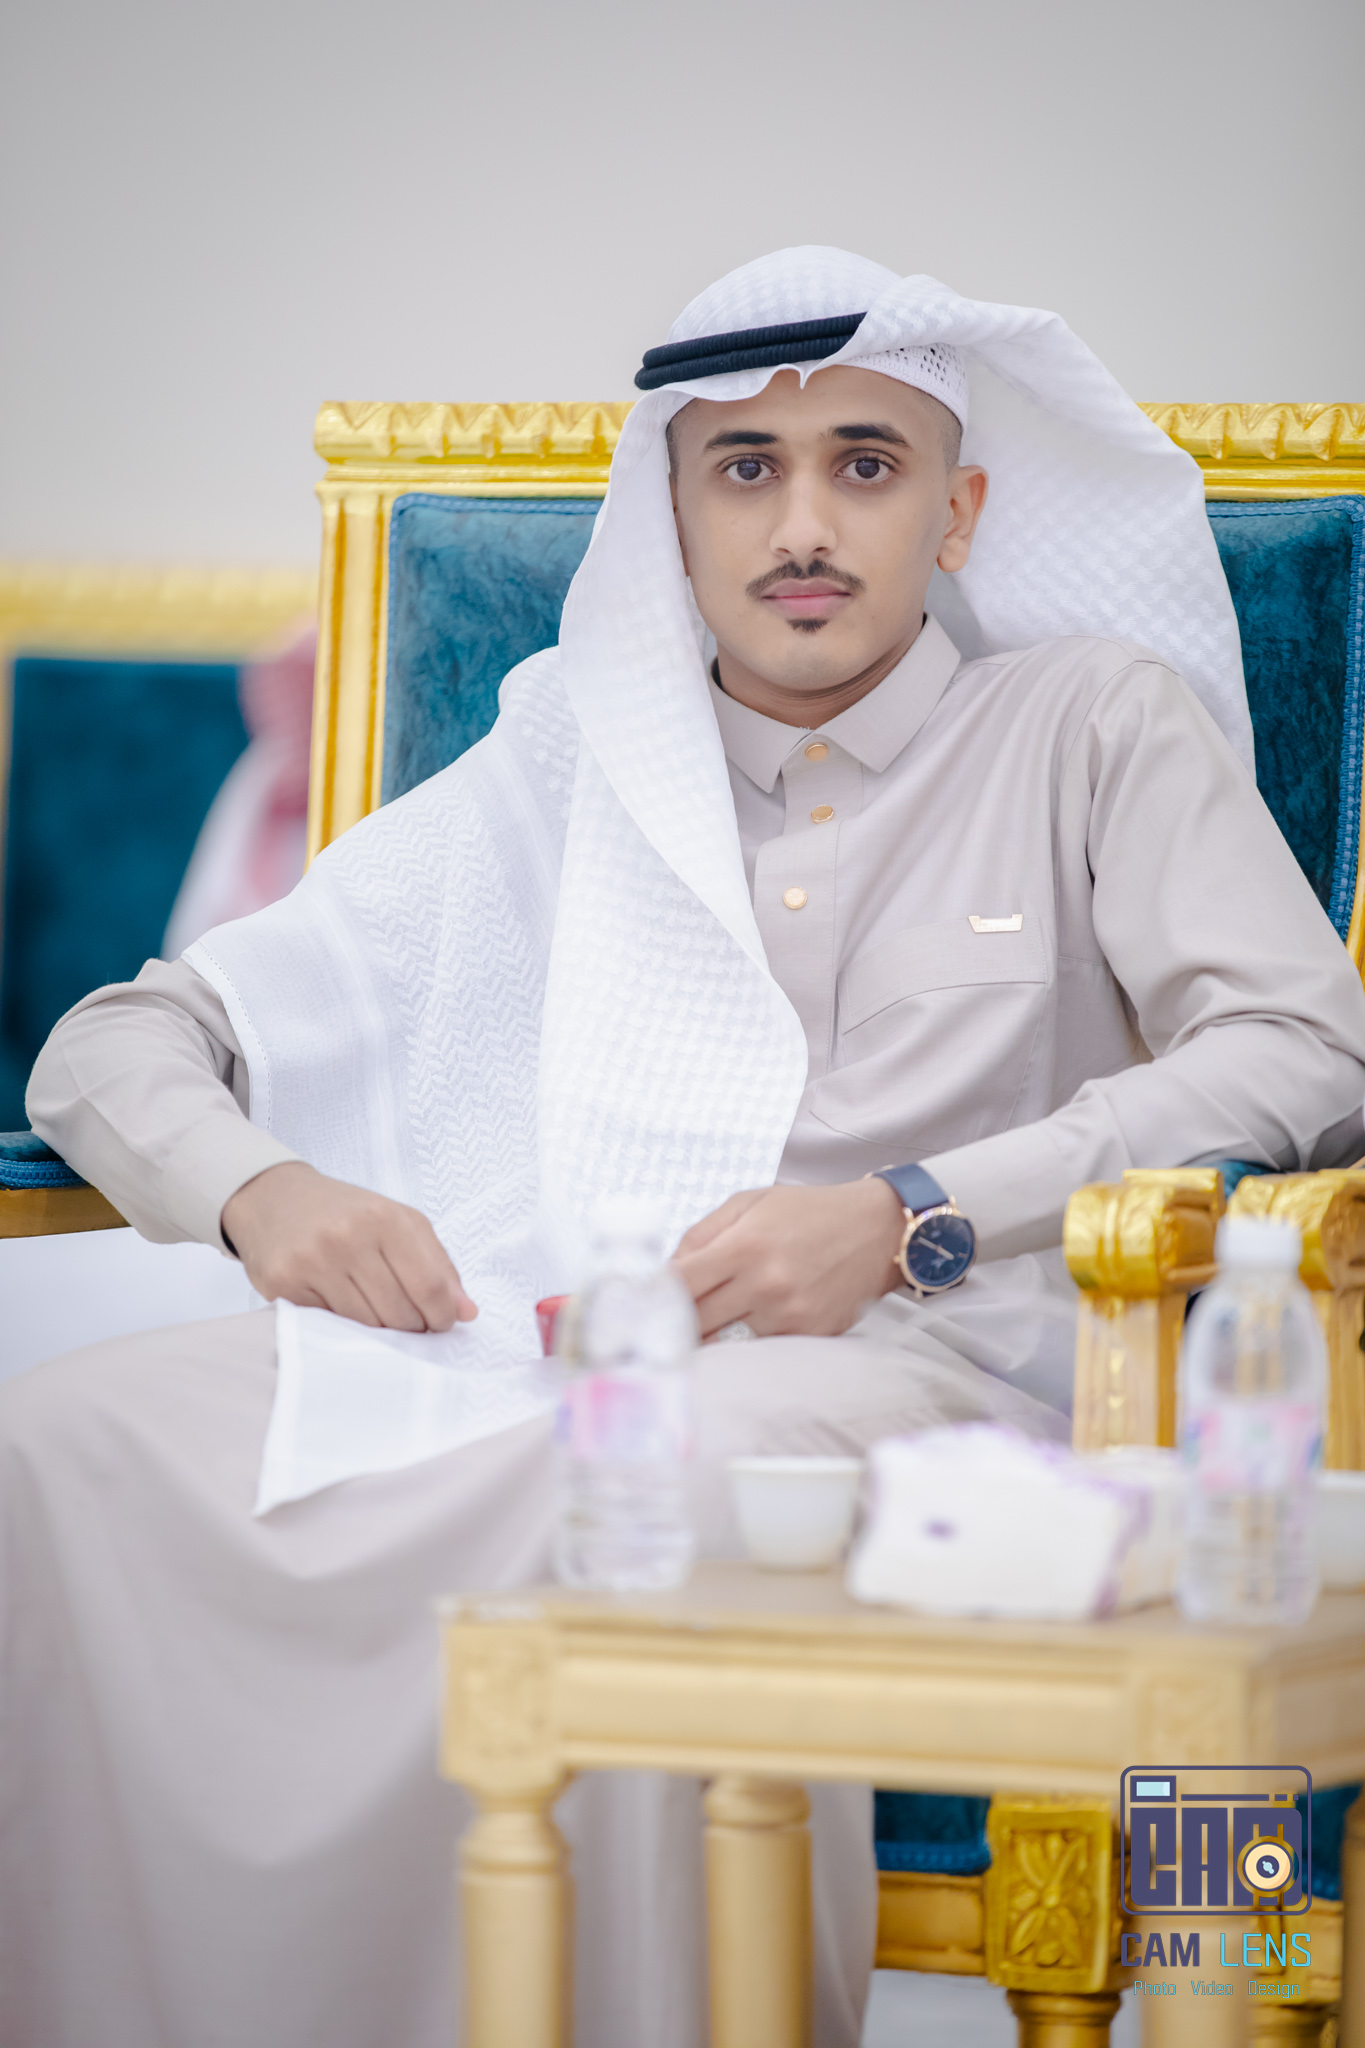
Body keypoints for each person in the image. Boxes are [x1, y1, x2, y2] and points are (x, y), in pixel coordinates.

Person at [4, 246, 1363, 2048]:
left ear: (956, 512)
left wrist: (910, 1216)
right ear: (672, 513)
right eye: (743, 467)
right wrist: (262, 1189)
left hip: (934, 1376)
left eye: (864, 464)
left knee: (659, 1502)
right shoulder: (572, 764)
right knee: (63, 1437)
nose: (801, 524)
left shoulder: (1084, 723)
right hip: (536, 1338)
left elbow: (1304, 1048)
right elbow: (112, 1043)